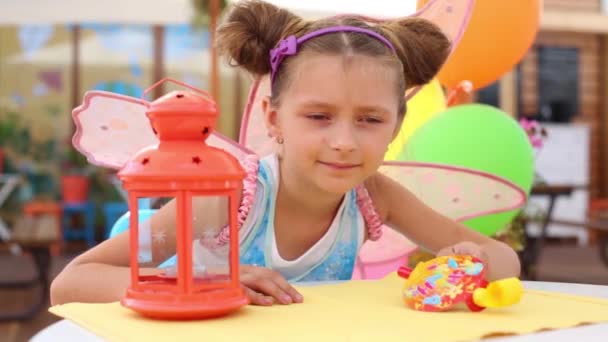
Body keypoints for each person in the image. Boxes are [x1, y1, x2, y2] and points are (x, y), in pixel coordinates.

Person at [51, 0, 520, 307]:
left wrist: (470, 263)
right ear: (274, 120)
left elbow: (505, 260)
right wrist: (214, 287)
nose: (344, 141)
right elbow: (73, 282)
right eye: (319, 116)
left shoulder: (376, 195)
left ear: (396, 124)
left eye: (370, 120)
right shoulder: (228, 198)